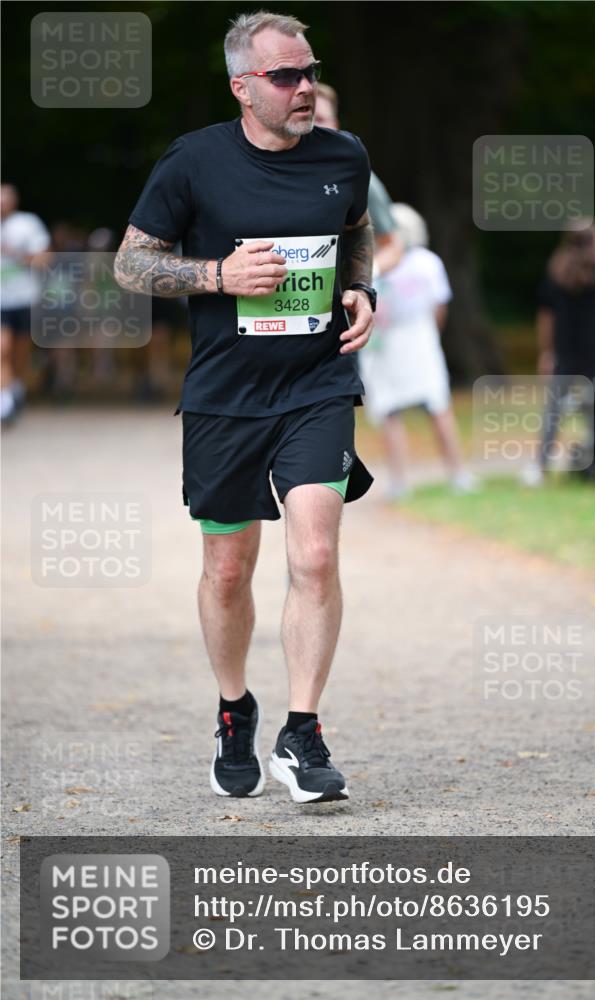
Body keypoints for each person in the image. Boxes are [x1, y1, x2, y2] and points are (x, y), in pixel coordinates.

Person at [114, 11, 375, 804]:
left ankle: (303, 733)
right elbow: (130, 266)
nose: (303, 87)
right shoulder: (193, 161)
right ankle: (235, 711)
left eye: (309, 72)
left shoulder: (343, 154)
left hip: (316, 383)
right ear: (242, 87)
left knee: (315, 555)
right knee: (227, 571)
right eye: (284, 76)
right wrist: (217, 277)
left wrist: (361, 289)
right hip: (225, 395)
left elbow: (356, 231)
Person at [359, 203, 477, 498]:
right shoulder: (426, 263)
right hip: (416, 338)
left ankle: (404, 481)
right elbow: (440, 307)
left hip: (390, 340)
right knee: (434, 407)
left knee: (395, 413)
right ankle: (456, 474)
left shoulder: (376, 265)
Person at [529, 219, 595, 482]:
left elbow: (546, 317)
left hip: (566, 353)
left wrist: (547, 351)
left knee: (554, 411)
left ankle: (540, 467)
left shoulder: (557, 272)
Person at [314, 83, 402, 277]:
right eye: (308, 117)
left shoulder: (355, 175)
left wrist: (360, 280)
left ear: (335, 125)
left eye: (320, 119)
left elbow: (393, 247)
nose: (314, 127)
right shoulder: (269, 171)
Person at [0, 183, 50, 423]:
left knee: (20, 351)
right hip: (1, 300)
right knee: (3, 349)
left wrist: (14, 254)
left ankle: (16, 387)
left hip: (24, 297)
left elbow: (44, 259)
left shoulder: (28, 223)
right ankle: (4, 401)